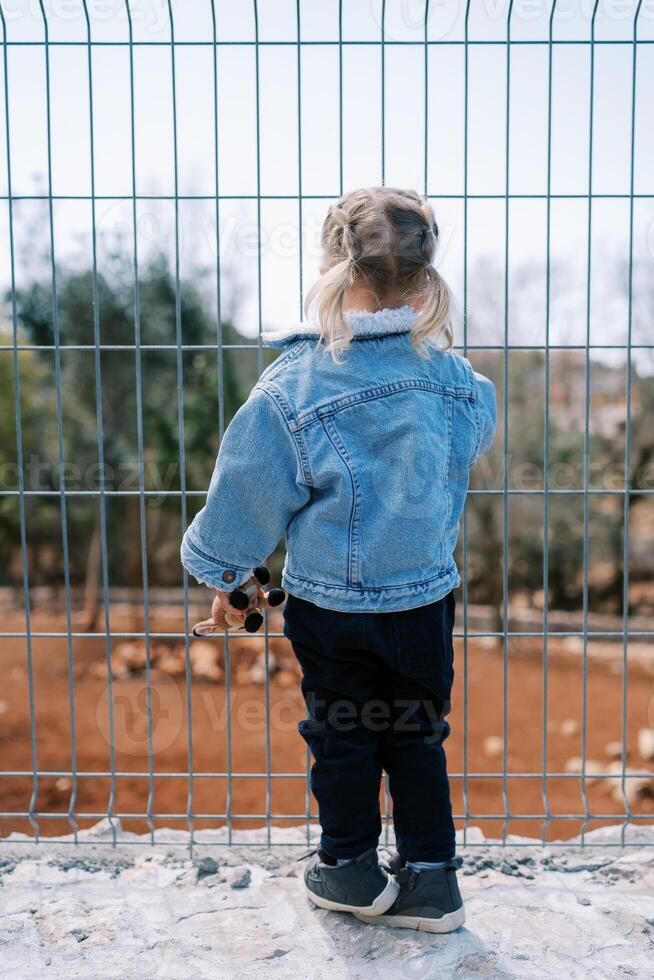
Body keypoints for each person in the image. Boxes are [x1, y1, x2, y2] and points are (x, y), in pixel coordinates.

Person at [181, 186, 496, 934]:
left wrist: (231, 575)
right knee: (418, 734)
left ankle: (350, 868)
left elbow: (247, 492)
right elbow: (473, 427)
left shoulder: (293, 386)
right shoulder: (455, 382)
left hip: (331, 608)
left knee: (344, 731)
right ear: (425, 282)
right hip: (423, 602)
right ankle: (431, 882)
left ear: (330, 263)